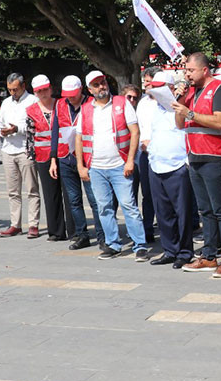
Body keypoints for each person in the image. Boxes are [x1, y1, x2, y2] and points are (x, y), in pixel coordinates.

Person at [172, 53, 221, 277]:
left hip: (214, 156)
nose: (186, 74)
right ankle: (209, 256)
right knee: (205, 210)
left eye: (190, 70)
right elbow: (180, 124)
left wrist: (190, 112)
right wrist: (180, 102)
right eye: (185, 71)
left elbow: (220, 121)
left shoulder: (220, 89)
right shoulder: (190, 92)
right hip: (195, 156)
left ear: (204, 70)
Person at [75, 70, 149, 260]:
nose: (102, 86)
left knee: (128, 205)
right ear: (90, 90)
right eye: (97, 84)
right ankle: (113, 244)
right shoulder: (86, 109)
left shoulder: (121, 103)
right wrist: (81, 166)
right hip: (96, 167)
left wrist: (130, 160)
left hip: (120, 165)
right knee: (104, 207)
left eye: (103, 82)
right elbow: (79, 138)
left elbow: (135, 131)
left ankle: (139, 245)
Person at [142, 71, 194, 268]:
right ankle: (170, 250)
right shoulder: (151, 107)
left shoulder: (180, 107)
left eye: (159, 87)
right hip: (156, 165)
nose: (154, 91)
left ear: (171, 88)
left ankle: (185, 251)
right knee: (163, 213)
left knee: (182, 212)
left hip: (177, 165)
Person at [50, 75, 104, 251]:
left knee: (95, 200)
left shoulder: (92, 103)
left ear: (81, 89)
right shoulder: (59, 104)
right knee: (74, 200)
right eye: (67, 95)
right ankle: (82, 235)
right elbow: (55, 130)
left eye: (73, 94)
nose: (70, 98)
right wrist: (53, 159)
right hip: (65, 157)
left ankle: (103, 235)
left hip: (88, 157)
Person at [0, 73, 41, 238]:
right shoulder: (6, 102)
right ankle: (15, 224)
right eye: (10, 90)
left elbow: (35, 124)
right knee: (13, 191)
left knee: (32, 189)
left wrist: (16, 129)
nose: (12, 93)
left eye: (15, 89)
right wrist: (1, 131)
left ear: (23, 86)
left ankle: (33, 225)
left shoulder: (33, 101)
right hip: (8, 150)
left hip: (25, 149)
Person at [25, 75, 67, 242]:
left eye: (45, 89)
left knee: (70, 193)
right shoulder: (31, 110)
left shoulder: (62, 104)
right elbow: (30, 135)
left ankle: (74, 229)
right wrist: (31, 157)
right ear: (35, 93)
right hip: (43, 156)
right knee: (51, 194)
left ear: (50, 89)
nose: (43, 93)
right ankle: (56, 231)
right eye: (39, 91)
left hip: (64, 154)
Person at [123, 81, 156, 244]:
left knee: (148, 195)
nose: (131, 101)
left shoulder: (144, 106)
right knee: (129, 196)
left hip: (143, 156)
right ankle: (132, 229)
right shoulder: (119, 112)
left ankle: (148, 229)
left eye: (134, 98)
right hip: (127, 159)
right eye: (128, 97)